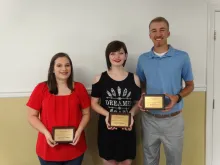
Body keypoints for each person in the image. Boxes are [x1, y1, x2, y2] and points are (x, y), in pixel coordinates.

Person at [136, 17, 194, 165]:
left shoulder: (182, 57)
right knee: (149, 160)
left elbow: (190, 85)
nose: (158, 34)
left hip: (173, 120)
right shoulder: (143, 59)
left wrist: (177, 97)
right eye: (154, 31)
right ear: (149, 35)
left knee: (174, 161)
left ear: (168, 33)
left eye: (162, 30)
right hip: (149, 119)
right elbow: (142, 84)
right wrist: (142, 95)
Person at [26, 52, 91, 165]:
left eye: (67, 65)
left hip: (75, 147)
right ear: (52, 69)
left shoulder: (79, 88)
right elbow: (32, 116)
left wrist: (79, 131)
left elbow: (86, 114)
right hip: (48, 148)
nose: (64, 69)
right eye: (59, 65)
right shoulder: (41, 88)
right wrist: (46, 133)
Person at [91, 40, 141, 165]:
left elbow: (138, 103)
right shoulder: (99, 78)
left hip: (127, 130)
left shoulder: (134, 78)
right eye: (113, 53)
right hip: (107, 129)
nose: (117, 57)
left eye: (121, 53)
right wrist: (108, 115)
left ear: (126, 56)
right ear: (108, 56)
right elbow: (94, 103)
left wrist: (130, 115)